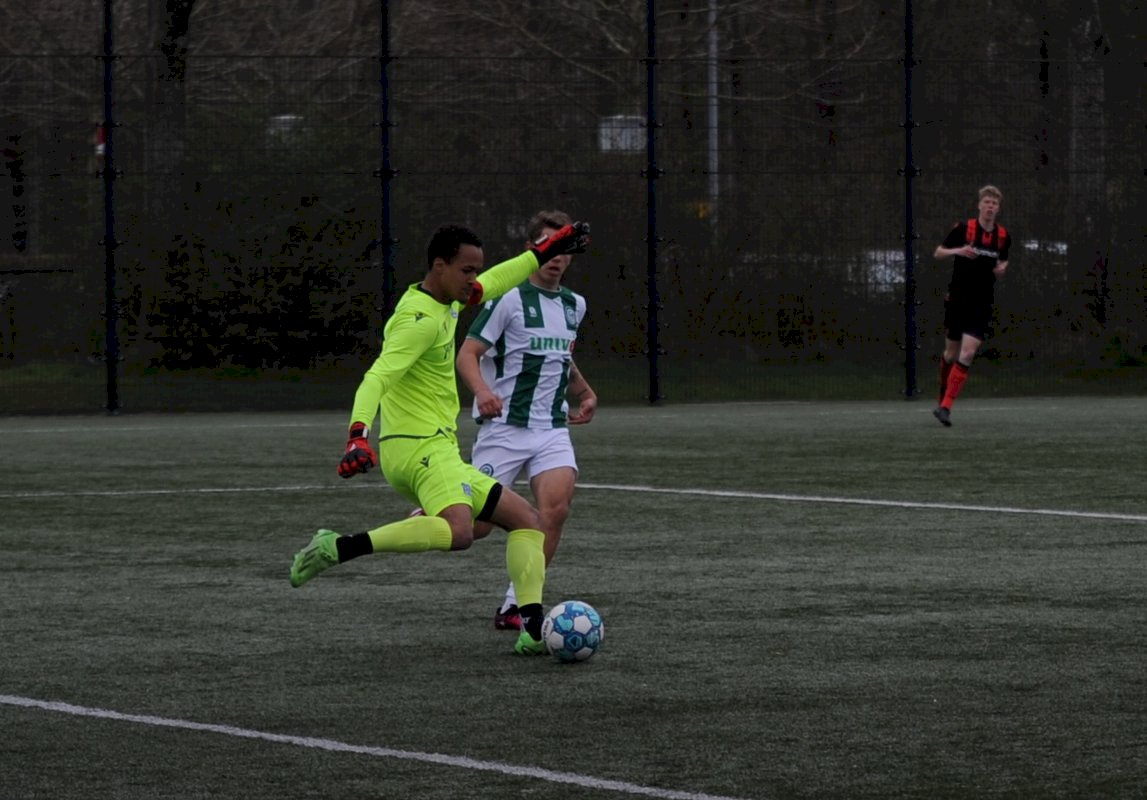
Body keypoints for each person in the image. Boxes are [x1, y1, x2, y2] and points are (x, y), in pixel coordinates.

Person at [288, 220, 591, 657]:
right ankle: (336, 547)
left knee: (527, 521)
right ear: (439, 265)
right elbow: (377, 377)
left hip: (437, 447)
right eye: (467, 271)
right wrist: (357, 434)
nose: (474, 281)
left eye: (475, 270)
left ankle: (531, 627)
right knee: (461, 531)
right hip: (417, 448)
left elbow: (496, 280)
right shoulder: (419, 320)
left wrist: (541, 253)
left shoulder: (446, 301)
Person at [455, 210, 598, 632]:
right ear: (531, 250)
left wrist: (584, 392)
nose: (556, 256)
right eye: (547, 247)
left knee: (555, 509)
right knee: (473, 527)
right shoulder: (508, 299)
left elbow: (560, 357)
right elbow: (467, 354)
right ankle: (413, 519)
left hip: (551, 429)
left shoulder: (575, 305)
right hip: (504, 429)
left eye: (564, 248)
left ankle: (516, 605)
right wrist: (482, 392)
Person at [932, 184, 1011, 427]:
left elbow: (1004, 260)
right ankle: (942, 395)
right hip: (957, 299)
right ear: (979, 205)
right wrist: (959, 250)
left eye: (994, 204)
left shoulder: (1003, 236)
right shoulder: (964, 228)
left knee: (967, 353)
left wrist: (1002, 268)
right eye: (987, 202)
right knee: (951, 354)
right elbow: (938, 253)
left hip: (982, 302)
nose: (990, 207)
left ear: (998, 208)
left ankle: (946, 407)